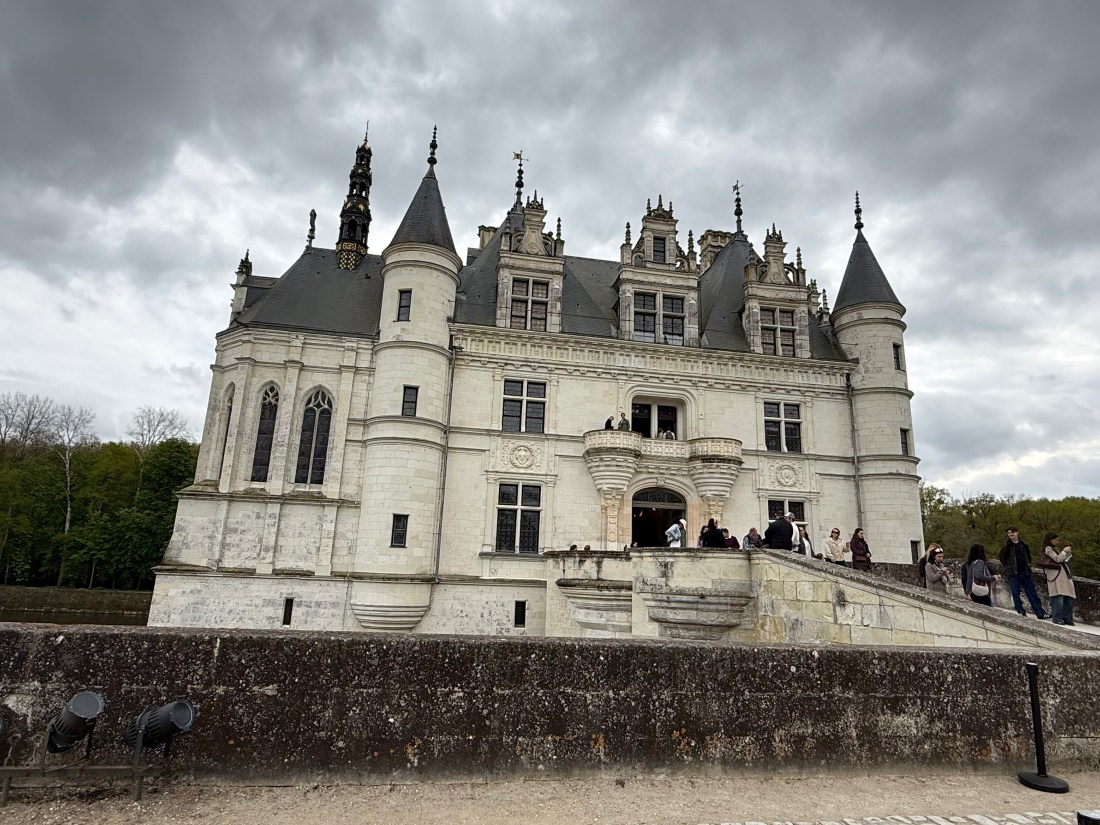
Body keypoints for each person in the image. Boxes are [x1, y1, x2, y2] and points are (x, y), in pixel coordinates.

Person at [999, 526, 1047, 619]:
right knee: (1016, 593)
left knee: (1032, 593)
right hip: (1013, 573)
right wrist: (1009, 567)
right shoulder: (1006, 546)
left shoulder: (1023, 545)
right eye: (1009, 533)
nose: (1011, 534)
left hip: (1025, 572)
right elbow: (1002, 558)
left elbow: (1028, 557)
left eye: (1012, 532)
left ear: (1017, 533)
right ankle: (1021, 612)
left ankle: (1040, 613)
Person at [1041, 531, 1076, 626]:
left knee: (1067, 598)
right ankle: (1057, 618)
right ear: (1050, 540)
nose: (1057, 541)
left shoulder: (1054, 548)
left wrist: (1067, 554)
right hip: (1056, 576)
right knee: (1058, 598)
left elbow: (1062, 559)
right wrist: (1064, 551)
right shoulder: (1048, 549)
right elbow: (1057, 559)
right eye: (1055, 539)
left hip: (1063, 575)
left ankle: (1067, 618)